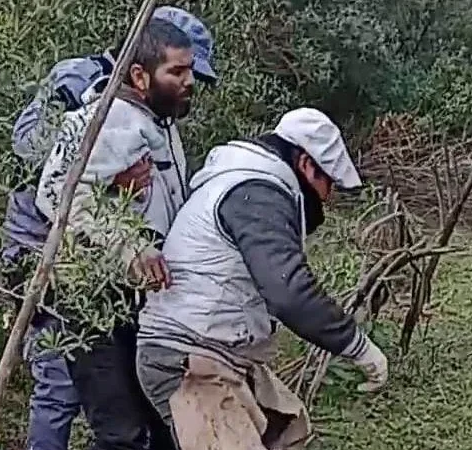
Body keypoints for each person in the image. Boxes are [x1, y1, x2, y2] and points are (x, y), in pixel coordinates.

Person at [0, 7, 217, 450]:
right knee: (75, 399)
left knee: (141, 417)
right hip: (81, 283)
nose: (190, 83)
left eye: (191, 71)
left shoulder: (156, 118)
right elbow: (54, 191)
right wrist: (126, 237)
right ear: (140, 73)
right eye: (178, 71)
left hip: (125, 292)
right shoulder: (97, 108)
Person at [135, 108, 389, 450]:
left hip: (223, 354)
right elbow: (288, 291)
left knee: (290, 435)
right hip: (187, 358)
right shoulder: (257, 194)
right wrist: (356, 346)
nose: (327, 197)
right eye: (327, 181)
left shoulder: (247, 183)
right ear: (305, 165)